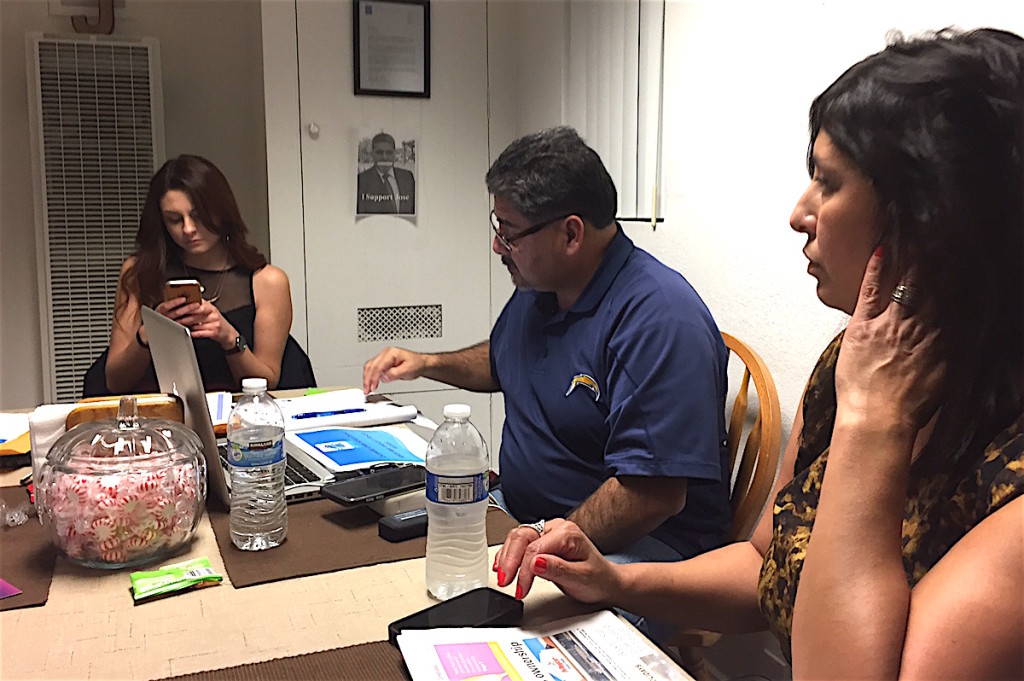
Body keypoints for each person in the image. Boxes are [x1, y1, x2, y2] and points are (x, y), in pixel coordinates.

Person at [494, 28, 1024, 679]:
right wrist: (615, 582)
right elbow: (765, 569)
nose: (800, 212)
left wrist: (872, 423)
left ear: (931, 217)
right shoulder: (846, 367)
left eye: (827, 184)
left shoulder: (892, 409)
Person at [364, 126, 732, 568]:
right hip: (526, 516)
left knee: (486, 617)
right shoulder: (542, 287)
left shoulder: (659, 319)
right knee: (391, 553)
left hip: (642, 548)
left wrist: (542, 542)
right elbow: (506, 362)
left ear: (571, 235)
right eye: (498, 226)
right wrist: (428, 363)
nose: (498, 245)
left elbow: (651, 496)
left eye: (511, 232)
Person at [91, 154, 313, 395]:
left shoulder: (267, 281)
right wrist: (149, 334)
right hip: (163, 418)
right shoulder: (139, 273)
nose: (188, 229)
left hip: (242, 418)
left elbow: (268, 381)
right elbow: (114, 381)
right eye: (174, 220)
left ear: (221, 211)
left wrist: (229, 338)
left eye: (197, 215)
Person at [356, 132, 416, 214]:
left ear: (394, 154)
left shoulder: (407, 177)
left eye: (389, 152)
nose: (384, 157)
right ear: (372, 154)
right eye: (379, 152)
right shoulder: (361, 181)